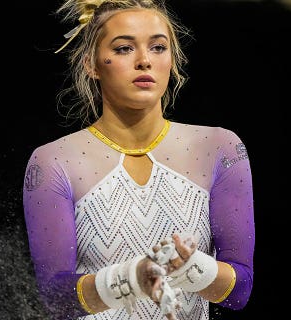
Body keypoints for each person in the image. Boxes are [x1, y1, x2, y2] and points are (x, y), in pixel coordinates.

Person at [22, 1, 255, 319]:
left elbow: (239, 292)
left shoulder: (220, 148)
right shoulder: (53, 162)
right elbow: (55, 298)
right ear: (92, 63)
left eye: (158, 47)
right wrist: (131, 279)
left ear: (172, 60)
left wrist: (194, 269)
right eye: (123, 49)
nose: (145, 61)